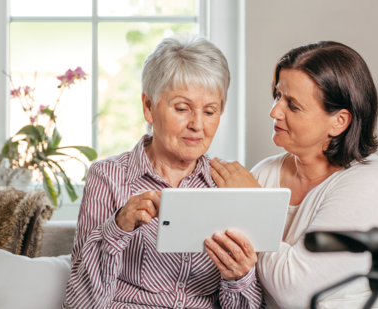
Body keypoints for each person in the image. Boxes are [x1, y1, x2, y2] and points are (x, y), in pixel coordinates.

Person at [63, 35, 262, 309]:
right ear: (148, 107)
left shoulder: (229, 185)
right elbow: (80, 303)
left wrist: (239, 276)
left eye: (209, 111)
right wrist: (117, 228)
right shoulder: (107, 177)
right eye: (182, 108)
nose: (197, 125)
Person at [209, 41, 378, 308]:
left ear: (339, 121)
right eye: (277, 96)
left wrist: (251, 203)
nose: (274, 112)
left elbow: (294, 291)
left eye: (293, 105)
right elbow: (236, 278)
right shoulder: (265, 172)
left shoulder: (374, 184)